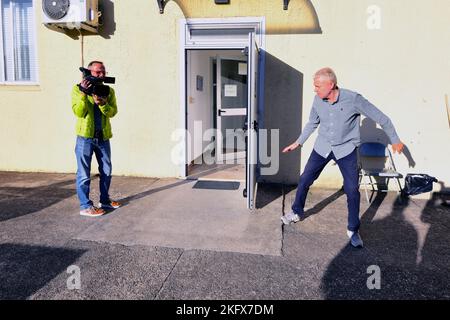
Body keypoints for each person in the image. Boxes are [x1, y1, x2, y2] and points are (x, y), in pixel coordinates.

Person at [281, 67, 404, 248]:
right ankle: (296, 211)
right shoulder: (317, 99)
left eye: (317, 86)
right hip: (322, 147)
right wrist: (299, 142)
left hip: (346, 149)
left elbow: (382, 118)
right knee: (305, 178)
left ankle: (353, 229)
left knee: (352, 189)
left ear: (330, 85)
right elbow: (312, 123)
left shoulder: (353, 99)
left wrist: (395, 140)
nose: (314, 89)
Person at [72, 61, 121, 217]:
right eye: (97, 72)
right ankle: (85, 206)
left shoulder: (109, 91)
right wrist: (83, 94)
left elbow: (112, 112)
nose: (101, 74)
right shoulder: (77, 89)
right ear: (89, 72)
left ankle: (105, 200)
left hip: (103, 139)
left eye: (103, 71)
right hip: (85, 139)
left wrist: (103, 104)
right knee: (84, 174)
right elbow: (79, 113)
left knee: (106, 171)